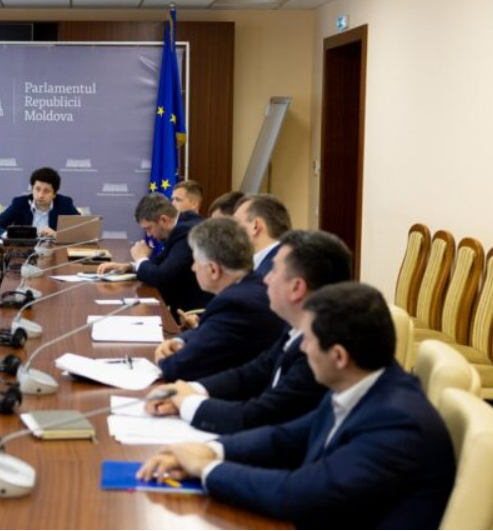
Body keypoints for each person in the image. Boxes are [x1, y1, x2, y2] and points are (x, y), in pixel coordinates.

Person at [137, 282, 456, 530]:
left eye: (309, 340)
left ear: (339, 356)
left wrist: (206, 469)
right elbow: (285, 437)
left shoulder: (397, 424)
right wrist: (212, 450)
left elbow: (298, 494)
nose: (302, 348)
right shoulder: (364, 382)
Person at [146, 230, 352, 434]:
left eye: (274, 271)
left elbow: (264, 415)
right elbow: (252, 373)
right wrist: (194, 390)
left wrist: (187, 403)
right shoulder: (295, 328)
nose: (266, 279)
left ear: (297, 288)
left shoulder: (320, 349)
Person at [153, 218, 286, 382]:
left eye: (195, 262)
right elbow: (209, 329)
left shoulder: (235, 304)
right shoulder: (254, 284)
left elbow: (177, 368)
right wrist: (179, 339)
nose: (193, 268)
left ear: (213, 269)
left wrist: (162, 357)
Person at [96, 193, 209, 314]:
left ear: (164, 220)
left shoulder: (186, 233)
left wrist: (141, 259)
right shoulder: (182, 224)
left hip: (193, 313)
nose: (149, 235)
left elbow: (161, 278)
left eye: (149, 228)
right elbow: (163, 262)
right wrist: (130, 266)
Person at [0, 167, 79, 238]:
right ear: (32, 189)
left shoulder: (65, 204)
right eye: (37, 189)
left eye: (46, 191)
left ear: (54, 194)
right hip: (23, 252)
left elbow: (82, 231)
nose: (40, 195)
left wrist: (57, 235)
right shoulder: (20, 203)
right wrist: (10, 235)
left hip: (53, 251)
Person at [233, 193, 291, 277]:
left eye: (235, 223)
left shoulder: (273, 270)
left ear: (255, 226)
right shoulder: (287, 259)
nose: (231, 230)